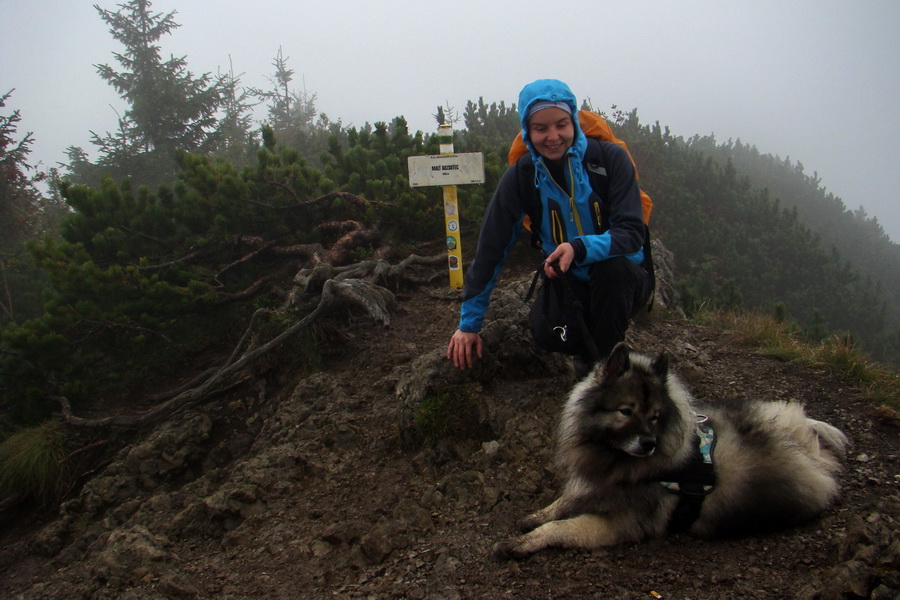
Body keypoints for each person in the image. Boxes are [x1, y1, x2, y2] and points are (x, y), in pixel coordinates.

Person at [446, 78, 651, 372]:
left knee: (611, 273)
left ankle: (606, 370)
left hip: (624, 278)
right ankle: (591, 351)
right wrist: (469, 324)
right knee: (548, 334)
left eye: (561, 125)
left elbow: (632, 233)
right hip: (570, 279)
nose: (552, 136)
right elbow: (491, 249)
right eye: (540, 128)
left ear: (574, 123)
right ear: (527, 131)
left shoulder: (609, 158)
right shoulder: (522, 175)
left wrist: (579, 248)